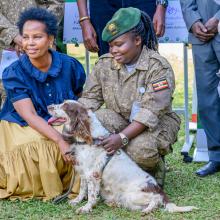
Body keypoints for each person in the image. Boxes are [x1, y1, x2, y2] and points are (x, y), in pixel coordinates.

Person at [78, 7, 181, 187]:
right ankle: (117, 173)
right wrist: (71, 117)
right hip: (121, 119)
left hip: (155, 124)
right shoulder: (105, 64)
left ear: (138, 40)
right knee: (95, 119)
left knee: (140, 150)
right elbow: (90, 100)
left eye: (119, 44)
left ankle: (153, 169)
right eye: (111, 45)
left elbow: (150, 113)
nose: (113, 50)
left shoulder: (158, 67)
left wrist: (122, 138)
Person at [0, 7, 86, 199]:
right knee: (37, 144)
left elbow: (79, 98)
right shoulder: (13, 72)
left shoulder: (71, 65)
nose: (29, 43)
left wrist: (67, 127)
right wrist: (59, 139)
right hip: (20, 123)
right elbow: (29, 115)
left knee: (80, 140)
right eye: (26, 37)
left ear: (51, 39)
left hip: (59, 117)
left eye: (37, 37)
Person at [0, 0, 65, 109]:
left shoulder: (72, 65)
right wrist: (13, 35)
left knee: (49, 103)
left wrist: (35, 33)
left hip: (41, 47)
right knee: (7, 102)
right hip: (4, 47)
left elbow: (56, 3)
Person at [180, 1, 220, 177]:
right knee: (206, 99)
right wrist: (193, 21)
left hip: (215, 24)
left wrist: (218, 19)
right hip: (200, 33)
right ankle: (216, 156)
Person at [77, 0, 168, 56]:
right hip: (103, 4)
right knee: (109, 62)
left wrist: (161, 5)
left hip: (142, 2)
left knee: (146, 59)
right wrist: (84, 20)